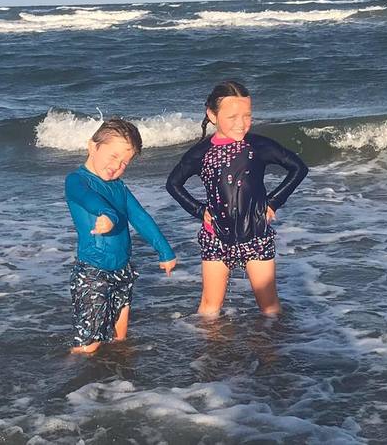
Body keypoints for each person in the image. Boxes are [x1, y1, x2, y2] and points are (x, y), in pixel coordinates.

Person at [166, 81, 307, 317]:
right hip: (216, 237)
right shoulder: (201, 153)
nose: (241, 123)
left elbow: (298, 168)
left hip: (256, 235)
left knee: (270, 309)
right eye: (232, 117)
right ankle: (211, 344)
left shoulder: (258, 146)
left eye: (247, 116)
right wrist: (199, 210)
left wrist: (273, 202)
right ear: (212, 115)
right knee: (209, 309)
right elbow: (173, 184)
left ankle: (273, 342)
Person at [65, 118, 177, 354]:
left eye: (125, 162)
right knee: (89, 345)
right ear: (93, 146)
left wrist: (164, 250)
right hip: (93, 272)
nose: (117, 165)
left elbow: (141, 217)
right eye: (113, 156)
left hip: (123, 270)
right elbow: (89, 199)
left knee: (119, 338)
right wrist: (107, 214)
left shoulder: (119, 187)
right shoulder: (76, 180)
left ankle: (117, 374)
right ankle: (71, 373)